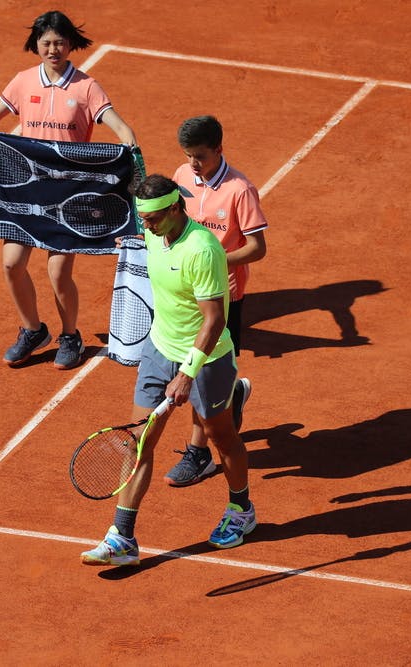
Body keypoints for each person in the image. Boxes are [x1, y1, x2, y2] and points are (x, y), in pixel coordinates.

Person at [81, 175, 256, 566]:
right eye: (144, 219)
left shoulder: (203, 250)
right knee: (137, 442)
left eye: (155, 218)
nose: (148, 225)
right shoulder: (153, 234)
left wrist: (188, 373)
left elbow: (214, 320)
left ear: (177, 208)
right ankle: (122, 537)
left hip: (207, 359)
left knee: (221, 436)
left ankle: (241, 510)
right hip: (158, 350)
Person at [0, 10, 137, 369]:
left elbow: (119, 126)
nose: (53, 49)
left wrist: (130, 148)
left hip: (69, 196)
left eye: (59, 42)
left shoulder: (86, 87)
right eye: (46, 42)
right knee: (11, 263)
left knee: (58, 272)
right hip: (27, 192)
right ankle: (33, 330)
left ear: (69, 44)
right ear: (36, 44)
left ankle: (70, 336)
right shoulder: (23, 82)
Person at [163, 115, 268, 486]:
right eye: (189, 155)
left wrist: (215, 260)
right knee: (198, 371)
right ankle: (232, 395)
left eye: (201, 156)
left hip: (225, 297)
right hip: (183, 294)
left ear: (219, 149)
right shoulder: (180, 176)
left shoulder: (240, 190)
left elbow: (257, 247)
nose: (193, 163)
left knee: (200, 375)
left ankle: (199, 453)